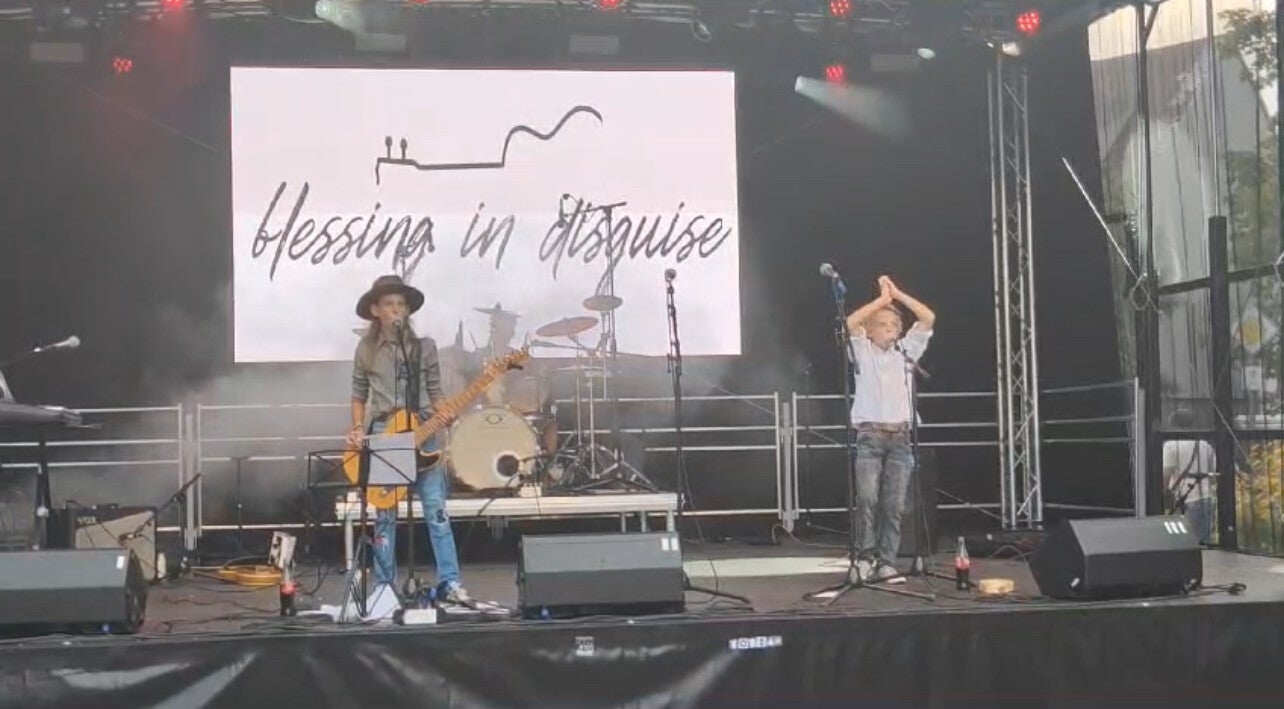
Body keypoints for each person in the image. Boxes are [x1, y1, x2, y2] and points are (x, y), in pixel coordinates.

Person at [344, 274, 471, 606]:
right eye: (389, 304)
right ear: (375, 310)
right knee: (384, 515)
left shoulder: (423, 347)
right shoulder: (366, 349)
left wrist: (446, 412)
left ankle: (451, 582)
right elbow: (358, 395)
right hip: (385, 432)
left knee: (436, 510)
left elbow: (435, 392)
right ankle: (384, 586)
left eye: (401, 304)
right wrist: (357, 427)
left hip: (424, 429)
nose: (396, 309)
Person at [843, 275, 936, 584]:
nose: (891, 329)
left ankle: (887, 561)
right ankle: (864, 558)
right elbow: (849, 323)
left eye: (894, 325)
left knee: (894, 505)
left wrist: (898, 294)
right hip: (870, 436)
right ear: (870, 330)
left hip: (901, 437)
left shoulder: (905, 351)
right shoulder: (862, 350)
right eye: (883, 324)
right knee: (867, 500)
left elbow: (927, 317)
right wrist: (881, 302)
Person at [1162, 409, 1216, 545]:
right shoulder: (1205, 445)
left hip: (1186, 500)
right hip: (1207, 498)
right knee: (1204, 542)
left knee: (1184, 542)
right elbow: (1213, 474)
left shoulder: (1171, 446)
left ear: (1173, 426)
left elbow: (1166, 476)